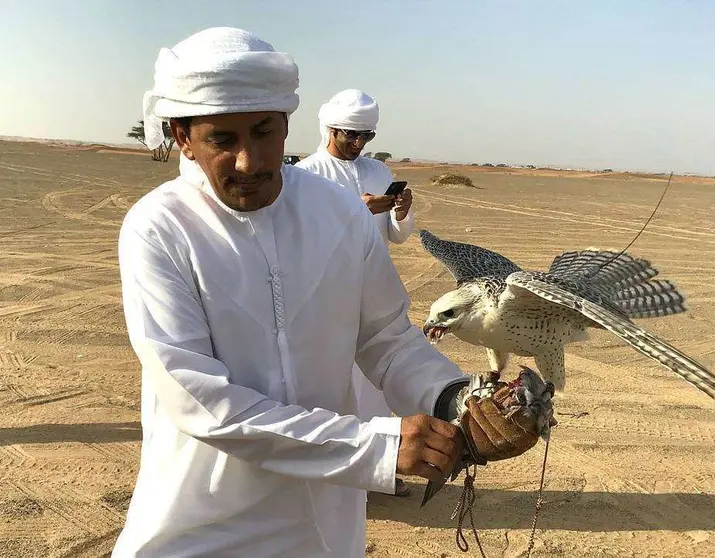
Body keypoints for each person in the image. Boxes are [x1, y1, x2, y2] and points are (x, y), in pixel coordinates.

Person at [111, 27, 472, 558]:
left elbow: (387, 338)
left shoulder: (339, 213)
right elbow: (204, 404)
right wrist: (379, 447)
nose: (249, 161)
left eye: (263, 133)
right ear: (182, 137)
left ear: (286, 125)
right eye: (222, 140)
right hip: (201, 521)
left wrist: (456, 397)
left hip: (324, 525)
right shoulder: (159, 229)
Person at [296, 89, 415, 497]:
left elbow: (397, 238)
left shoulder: (379, 173)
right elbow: (301, 241)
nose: (359, 144)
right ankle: (335, 479)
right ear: (329, 128)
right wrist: (355, 211)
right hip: (325, 296)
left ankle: (379, 475)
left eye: (367, 136)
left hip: (373, 289)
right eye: (351, 134)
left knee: (376, 387)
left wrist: (400, 214)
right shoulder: (305, 175)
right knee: (332, 384)